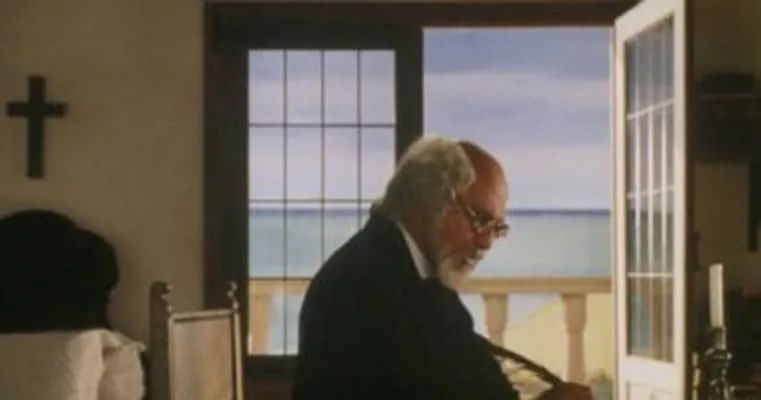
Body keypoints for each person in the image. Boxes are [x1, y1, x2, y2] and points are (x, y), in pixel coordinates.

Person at [292, 136, 593, 400]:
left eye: (497, 228)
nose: (486, 242)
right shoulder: (368, 287)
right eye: (479, 219)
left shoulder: (409, 273)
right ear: (430, 199)